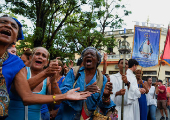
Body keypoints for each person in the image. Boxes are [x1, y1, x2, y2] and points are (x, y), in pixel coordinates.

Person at [0, 15, 91, 119]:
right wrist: (45, 73)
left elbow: (54, 103)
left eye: (43, 56)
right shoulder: (22, 68)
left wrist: (54, 83)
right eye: (37, 54)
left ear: (47, 62)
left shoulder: (15, 62)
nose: (8, 26)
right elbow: (21, 91)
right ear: (31, 57)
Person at [55, 47, 115, 120]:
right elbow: (63, 93)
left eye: (92, 54)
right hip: (68, 116)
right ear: (83, 59)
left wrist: (106, 96)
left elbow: (104, 105)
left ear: (98, 60)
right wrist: (83, 92)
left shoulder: (102, 79)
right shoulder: (74, 72)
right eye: (86, 54)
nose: (88, 56)